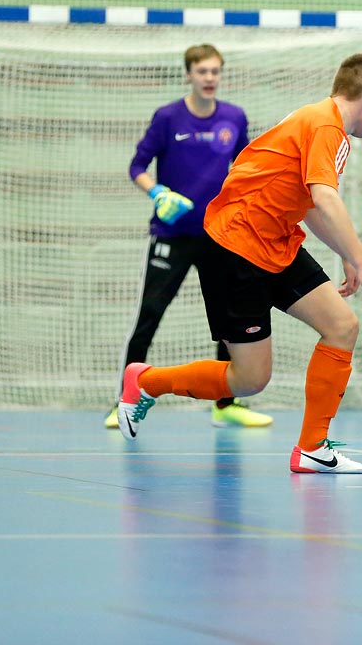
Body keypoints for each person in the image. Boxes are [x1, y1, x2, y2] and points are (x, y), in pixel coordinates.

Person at [118, 54, 362, 475]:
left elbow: (308, 204)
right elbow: (324, 196)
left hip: (277, 242)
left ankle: (311, 447)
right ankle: (146, 382)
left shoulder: (318, 122)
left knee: (342, 326)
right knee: (249, 379)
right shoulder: (327, 127)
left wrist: (345, 253)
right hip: (235, 247)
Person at [106, 44, 273, 431]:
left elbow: (245, 168)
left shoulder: (234, 117)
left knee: (230, 320)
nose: (210, 78)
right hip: (172, 236)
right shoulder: (167, 117)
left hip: (220, 237)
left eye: (215, 71)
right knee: (149, 315)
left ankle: (225, 404)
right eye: (202, 71)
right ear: (188, 75)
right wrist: (156, 192)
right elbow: (137, 166)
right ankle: (123, 400)